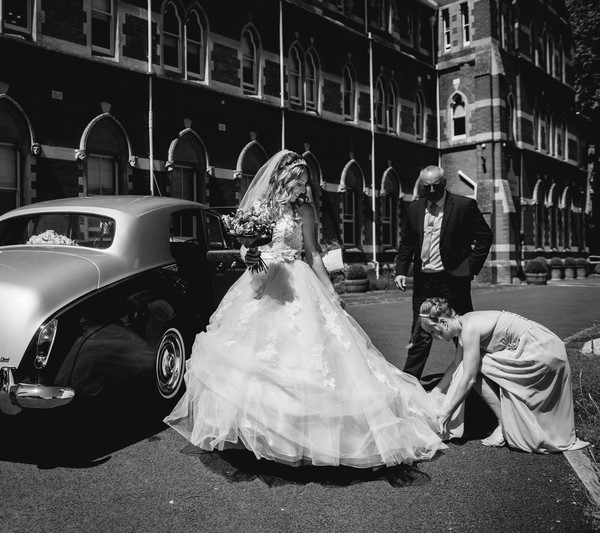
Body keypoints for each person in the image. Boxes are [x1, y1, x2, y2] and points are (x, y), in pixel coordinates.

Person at [163, 150, 444, 468]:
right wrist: (250, 256)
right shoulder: (260, 208)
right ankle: (254, 434)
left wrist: (330, 291)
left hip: (299, 283)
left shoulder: (306, 211)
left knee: (309, 355)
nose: (303, 187)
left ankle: (305, 439)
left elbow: (312, 254)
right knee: (251, 357)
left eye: (306, 181)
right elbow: (246, 248)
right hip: (262, 281)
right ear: (283, 177)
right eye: (299, 180)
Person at [419, 297, 589, 453]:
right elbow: (455, 365)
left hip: (541, 350)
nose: (435, 338)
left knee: (472, 368)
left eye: (434, 332)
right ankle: (505, 423)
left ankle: (504, 424)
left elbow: (469, 377)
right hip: (535, 349)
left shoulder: (469, 328)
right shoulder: (463, 326)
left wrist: (446, 412)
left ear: (443, 322)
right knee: (469, 365)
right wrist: (436, 392)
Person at [394, 165, 493, 380]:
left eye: (435, 186)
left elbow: (485, 236)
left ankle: (478, 378)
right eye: (425, 187)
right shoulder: (414, 209)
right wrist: (401, 270)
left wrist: (469, 267)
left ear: (444, 183)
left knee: (463, 331)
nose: (430, 191)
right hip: (423, 282)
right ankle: (409, 382)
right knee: (421, 331)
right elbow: (408, 242)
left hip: (452, 281)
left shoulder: (463, 206)